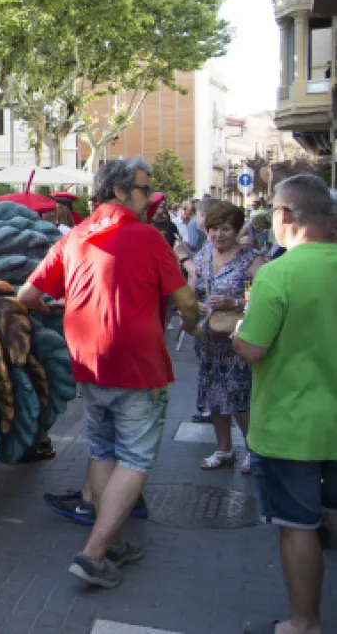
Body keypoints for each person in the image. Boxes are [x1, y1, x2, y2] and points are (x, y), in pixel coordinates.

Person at [19, 158, 200, 589]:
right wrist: (194, 329)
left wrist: (53, 306)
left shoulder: (76, 236)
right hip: (138, 367)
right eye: (143, 188)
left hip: (87, 362)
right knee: (134, 458)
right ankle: (94, 553)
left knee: (102, 452)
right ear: (119, 191)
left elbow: (26, 294)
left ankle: (113, 541)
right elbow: (187, 302)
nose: (149, 197)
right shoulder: (148, 238)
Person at [232, 175, 337, 634]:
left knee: (298, 526)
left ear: (284, 215)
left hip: (290, 427)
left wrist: (235, 332)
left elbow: (253, 348)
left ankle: (304, 623)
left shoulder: (277, 273)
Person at [190, 200, 264, 475]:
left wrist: (235, 304)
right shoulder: (204, 256)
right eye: (213, 229)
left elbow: (262, 299)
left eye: (225, 229)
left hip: (238, 339)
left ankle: (252, 451)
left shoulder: (251, 259)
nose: (218, 235)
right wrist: (194, 304)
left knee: (239, 396)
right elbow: (192, 288)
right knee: (213, 396)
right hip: (209, 340)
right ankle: (224, 448)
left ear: (237, 230)